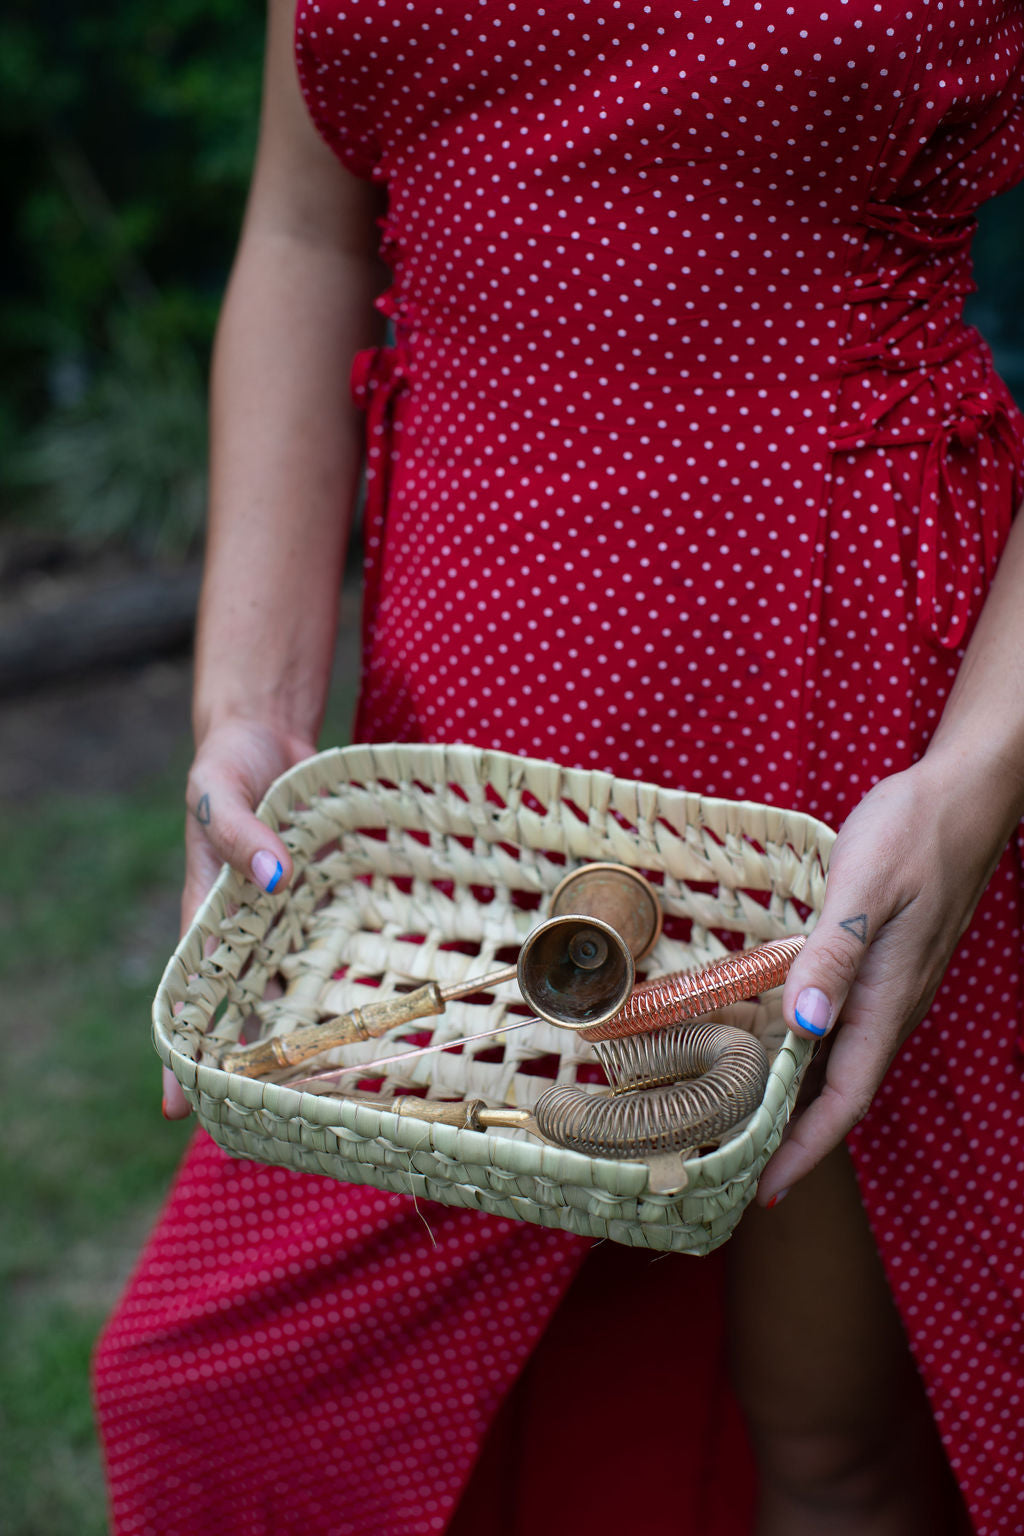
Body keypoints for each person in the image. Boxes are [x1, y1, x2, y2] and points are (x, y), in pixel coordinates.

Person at [93, 0, 1024, 1530]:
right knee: (210, 1392)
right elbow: (307, 229)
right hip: (453, 782)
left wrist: (977, 777)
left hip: (847, 739)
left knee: (835, 1435)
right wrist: (243, 701)